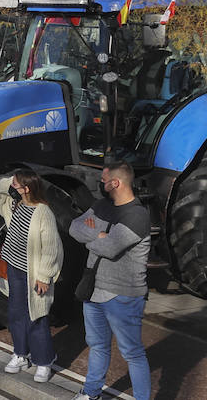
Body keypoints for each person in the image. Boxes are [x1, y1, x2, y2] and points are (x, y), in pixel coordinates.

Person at [70, 162, 152, 400]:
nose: (101, 183)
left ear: (115, 183)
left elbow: (111, 247)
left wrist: (96, 236)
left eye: (104, 180)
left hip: (122, 295)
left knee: (132, 353)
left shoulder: (137, 215)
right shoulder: (102, 205)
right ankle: (91, 393)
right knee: (97, 345)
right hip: (93, 291)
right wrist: (99, 235)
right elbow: (75, 228)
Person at [0, 170, 62, 383]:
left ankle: (44, 361)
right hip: (14, 269)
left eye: (16, 184)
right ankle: (21, 354)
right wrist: (10, 181)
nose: (12, 186)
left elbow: (51, 248)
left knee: (37, 316)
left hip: (34, 275)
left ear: (27, 188)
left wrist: (44, 276)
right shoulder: (15, 206)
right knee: (16, 313)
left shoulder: (44, 213)